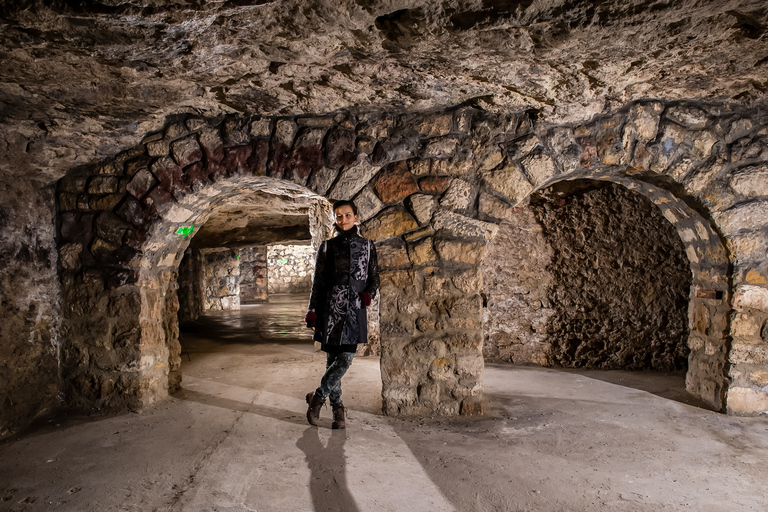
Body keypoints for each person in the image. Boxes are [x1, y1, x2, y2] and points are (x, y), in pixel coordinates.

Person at [304, 200, 379, 429]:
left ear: (356, 217)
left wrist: (368, 294)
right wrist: (313, 312)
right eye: (339, 216)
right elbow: (318, 282)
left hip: (355, 310)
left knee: (345, 358)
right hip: (330, 309)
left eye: (347, 215)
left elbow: (374, 277)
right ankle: (338, 410)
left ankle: (318, 397)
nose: (343, 220)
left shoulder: (367, 246)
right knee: (332, 359)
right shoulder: (327, 247)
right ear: (335, 219)